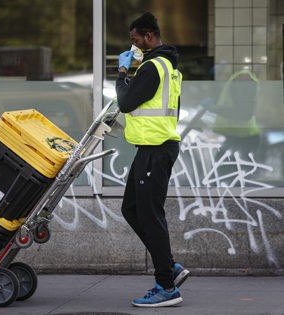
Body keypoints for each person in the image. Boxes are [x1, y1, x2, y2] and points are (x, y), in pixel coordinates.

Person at [115, 12, 190, 307]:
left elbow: (125, 102)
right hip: (154, 148)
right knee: (131, 208)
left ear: (148, 36)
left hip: (156, 149)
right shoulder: (170, 68)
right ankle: (169, 266)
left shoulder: (151, 67)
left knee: (149, 215)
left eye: (135, 39)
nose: (133, 45)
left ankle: (166, 286)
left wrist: (122, 73)